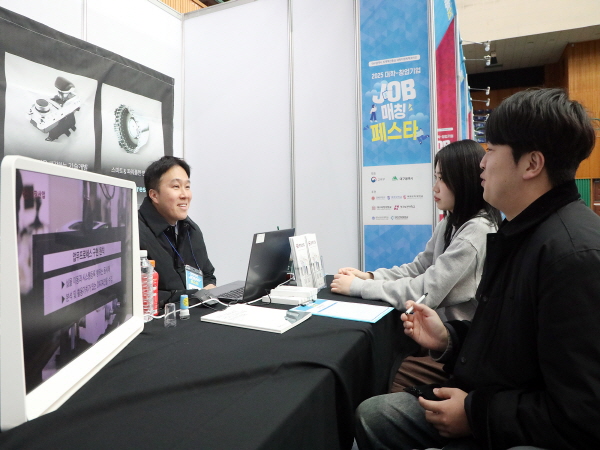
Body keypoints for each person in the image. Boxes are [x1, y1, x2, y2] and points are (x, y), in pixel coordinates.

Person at [355, 88, 600, 450]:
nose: (481, 165)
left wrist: (474, 413)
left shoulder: (572, 255)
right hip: (487, 398)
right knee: (374, 415)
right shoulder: (521, 232)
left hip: (505, 422)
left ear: (531, 165)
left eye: (491, 151)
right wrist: (448, 339)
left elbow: (582, 413)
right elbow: (510, 344)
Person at [332, 139, 501, 392]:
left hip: (462, 350)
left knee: (386, 374)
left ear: (463, 181)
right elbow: (419, 267)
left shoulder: (476, 232)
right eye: (436, 178)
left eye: (442, 179)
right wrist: (369, 277)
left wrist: (358, 287)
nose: (435, 187)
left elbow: (422, 292)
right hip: (441, 337)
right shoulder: (452, 222)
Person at [138, 156, 216, 309]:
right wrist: (194, 296)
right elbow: (142, 295)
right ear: (154, 195)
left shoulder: (191, 229)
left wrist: (207, 291)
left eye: (187, 186)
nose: (185, 195)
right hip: (162, 319)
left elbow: (208, 274)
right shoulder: (134, 233)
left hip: (196, 312)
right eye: (176, 186)